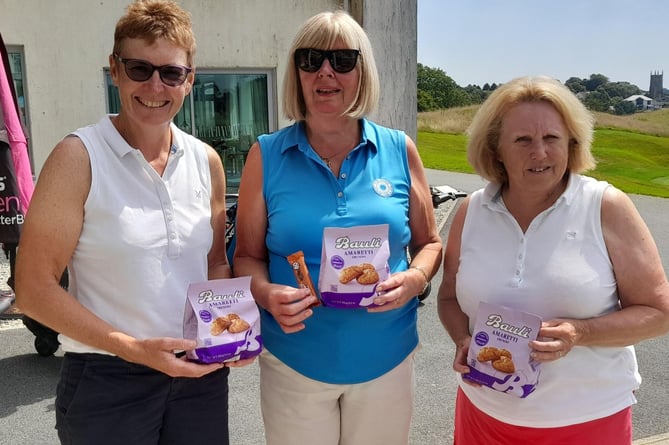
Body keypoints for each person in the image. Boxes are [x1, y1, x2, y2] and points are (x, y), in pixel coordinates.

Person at [15, 1, 252, 444]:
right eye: (140, 69)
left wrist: (232, 329)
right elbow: (32, 290)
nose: (155, 86)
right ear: (115, 70)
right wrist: (134, 350)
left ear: (190, 79)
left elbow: (215, 264)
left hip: (198, 374)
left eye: (171, 73)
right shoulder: (78, 157)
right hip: (108, 376)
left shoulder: (207, 161)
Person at [232, 10, 442, 445]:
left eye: (343, 60)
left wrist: (416, 278)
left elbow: (429, 243)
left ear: (362, 71)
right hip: (296, 362)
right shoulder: (266, 155)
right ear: (297, 73)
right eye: (311, 59)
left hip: (386, 357)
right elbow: (247, 256)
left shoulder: (400, 149)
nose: (326, 71)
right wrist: (268, 295)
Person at [437, 75, 669, 444]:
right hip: (484, 415)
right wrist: (462, 338)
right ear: (496, 148)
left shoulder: (605, 206)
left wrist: (581, 332)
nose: (540, 152)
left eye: (552, 139)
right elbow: (449, 298)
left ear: (571, 143)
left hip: (586, 421)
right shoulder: (472, 210)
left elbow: (659, 314)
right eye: (523, 140)